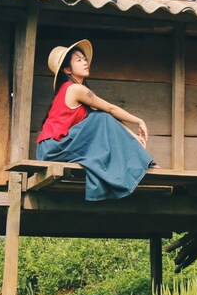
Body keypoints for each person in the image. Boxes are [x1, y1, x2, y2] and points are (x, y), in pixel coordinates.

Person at [35, 39, 153, 201]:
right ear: (68, 70)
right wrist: (139, 121)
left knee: (98, 119)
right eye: (78, 60)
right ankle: (143, 164)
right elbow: (110, 109)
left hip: (54, 147)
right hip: (53, 148)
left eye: (84, 59)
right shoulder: (75, 89)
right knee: (99, 119)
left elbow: (107, 119)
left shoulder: (76, 91)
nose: (85, 62)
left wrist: (133, 136)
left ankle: (143, 162)